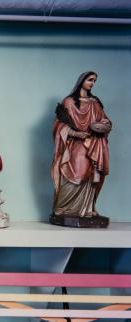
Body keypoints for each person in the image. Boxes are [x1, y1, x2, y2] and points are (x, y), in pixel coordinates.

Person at [50, 71, 112, 225]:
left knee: (91, 176)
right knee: (76, 173)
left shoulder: (95, 103)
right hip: (76, 145)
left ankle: (87, 210)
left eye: (94, 81)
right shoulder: (70, 102)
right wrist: (76, 133)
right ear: (81, 81)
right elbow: (59, 125)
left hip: (93, 144)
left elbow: (105, 120)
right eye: (90, 80)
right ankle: (63, 209)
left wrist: (105, 126)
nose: (92, 83)